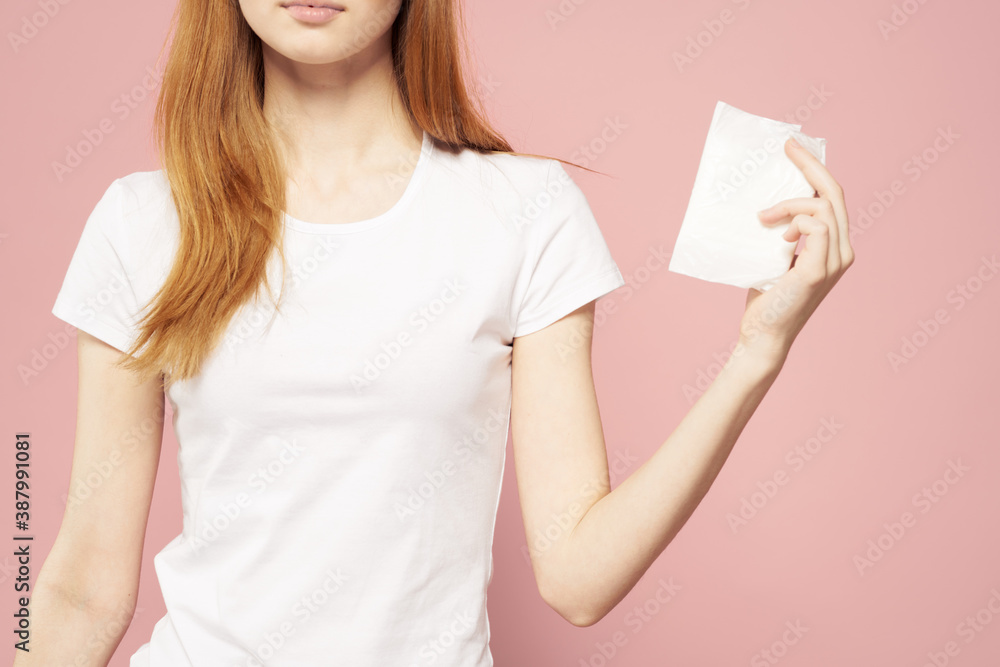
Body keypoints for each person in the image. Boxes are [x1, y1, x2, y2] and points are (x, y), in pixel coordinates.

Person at [22, 0, 854, 665]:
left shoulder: (527, 213)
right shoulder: (143, 222)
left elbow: (578, 578)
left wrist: (758, 352)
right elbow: (84, 588)